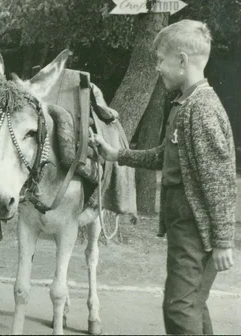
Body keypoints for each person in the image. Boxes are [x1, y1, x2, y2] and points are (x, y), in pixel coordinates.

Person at [93, 19, 236, 335]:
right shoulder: (184, 104)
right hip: (184, 224)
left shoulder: (201, 109)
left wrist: (225, 241)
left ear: (182, 61)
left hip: (195, 229)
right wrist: (118, 155)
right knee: (191, 305)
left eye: (160, 59)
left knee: (179, 308)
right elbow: (164, 156)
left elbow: (221, 180)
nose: (157, 67)